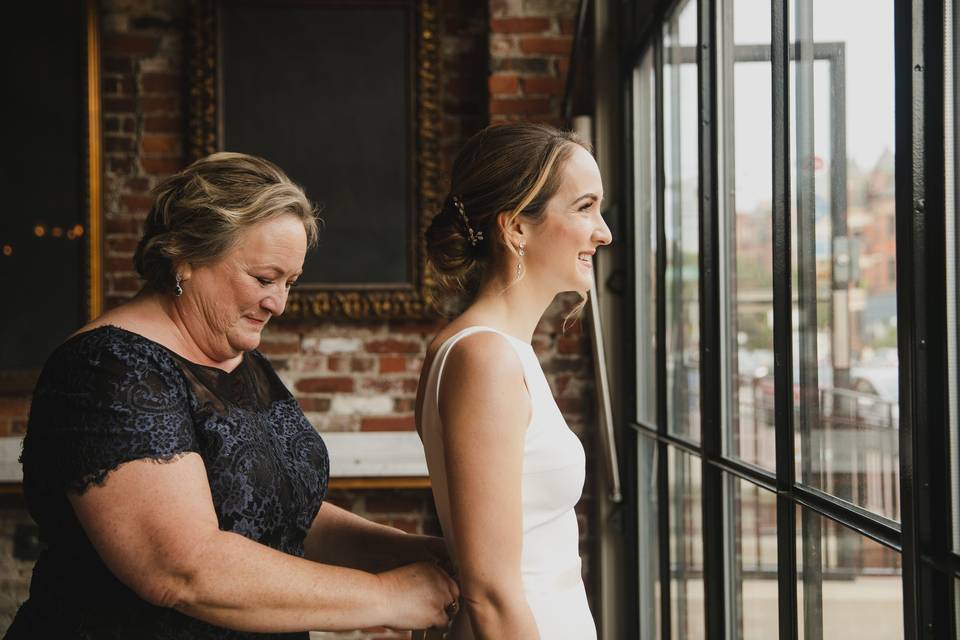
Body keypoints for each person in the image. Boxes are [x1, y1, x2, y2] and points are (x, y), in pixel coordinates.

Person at [7, 152, 459, 639]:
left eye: (290, 283)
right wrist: (385, 597)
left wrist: (407, 553)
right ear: (186, 255)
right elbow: (181, 568)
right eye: (264, 279)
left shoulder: (242, 362)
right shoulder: (107, 368)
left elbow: (275, 515)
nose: (279, 303)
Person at [415, 122, 612, 639]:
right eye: (585, 207)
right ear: (516, 228)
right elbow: (492, 593)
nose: (604, 231)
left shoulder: (495, 350)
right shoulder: (485, 358)